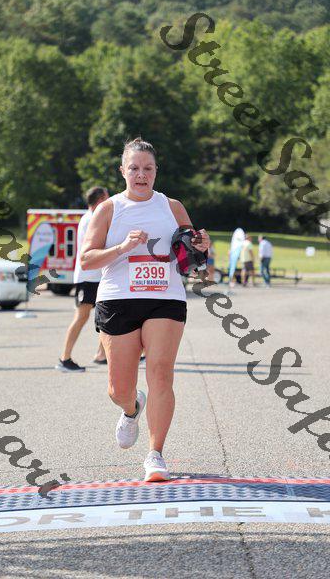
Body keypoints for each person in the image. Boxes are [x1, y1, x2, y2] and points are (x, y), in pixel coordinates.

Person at [80, 137, 210, 481]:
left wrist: (202, 248)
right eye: (134, 168)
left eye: (148, 168)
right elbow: (87, 259)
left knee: (161, 373)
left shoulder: (172, 207)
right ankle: (131, 407)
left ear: (156, 171)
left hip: (165, 297)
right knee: (118, 389)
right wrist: (123, 247)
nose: (141, 175)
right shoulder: (109, 209)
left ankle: (155, 455)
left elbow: (192, 258)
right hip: (118, 299)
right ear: (122, 171)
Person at [56, 186, 109, 372]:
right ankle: (64, 358)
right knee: (81, 317)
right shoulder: (91, 219)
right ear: (100, 200)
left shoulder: (92, 217)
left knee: (106, 315)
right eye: (107, 197)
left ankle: (102, 354)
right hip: (88, 277)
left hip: (97, 276)